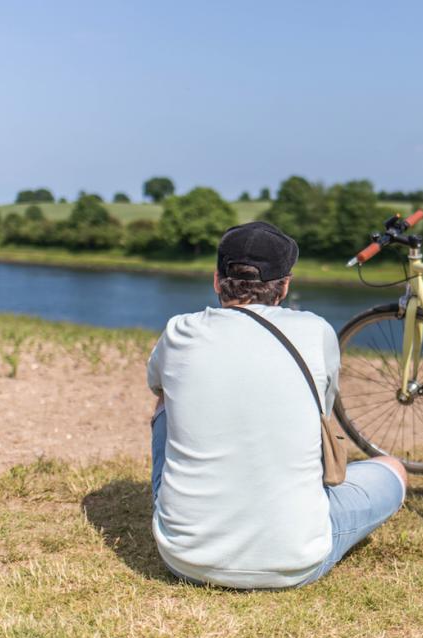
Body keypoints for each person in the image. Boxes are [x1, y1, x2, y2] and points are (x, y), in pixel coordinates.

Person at [146, 221, 407, 589]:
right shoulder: (315, 331)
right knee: (392, 467)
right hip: (295, 559)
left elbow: (157, 388)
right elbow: (323, 409)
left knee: (165, 400)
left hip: (184, 557)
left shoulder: (178, 331)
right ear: (285, 285)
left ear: (217, 280)